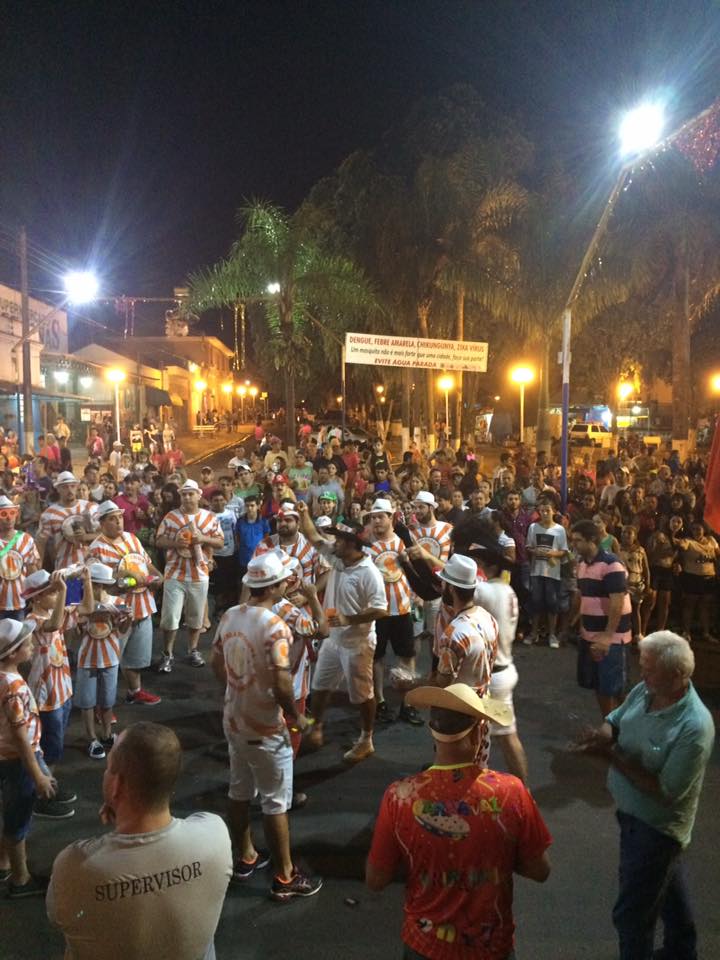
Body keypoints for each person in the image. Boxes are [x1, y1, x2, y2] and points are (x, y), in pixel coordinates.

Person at [366, 683, 551, 960]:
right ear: (478, 733)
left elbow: (376, 879)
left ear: (433, 732)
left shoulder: (400, 796)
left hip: (424, 945)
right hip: (491, 948)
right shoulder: (511, 791)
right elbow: (540, 870)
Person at [574, 632, 714, 960]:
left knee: (632, 915)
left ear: (677, 676)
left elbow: (665, 791)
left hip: (656, 829)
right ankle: (682, 951)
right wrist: (602, 736)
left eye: (649, 670)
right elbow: (615, 721)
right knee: (667, 889)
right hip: (633, 817)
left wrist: (611, 757)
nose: (641, 674)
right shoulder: (648, 690)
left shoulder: (694, 727)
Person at [47, 722, 232, 959]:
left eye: (108, 768)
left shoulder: (75, 865)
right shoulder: (214, 835)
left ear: (116, 785)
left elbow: (57, 916)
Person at [210, 553, 322, 900]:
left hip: (234, 718)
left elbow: (216, 661)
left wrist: (236, 689)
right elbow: (283, 681)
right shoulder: (275, 626)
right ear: (275, 586)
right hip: (266, 727)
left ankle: (246, 856)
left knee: (239, 790)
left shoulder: (230, 615)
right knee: (275, 802)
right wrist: (296, 716)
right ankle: (285, 876)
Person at [298, 507, 388, 762]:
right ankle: (316, 727)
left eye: (338, 539)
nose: (333, 542)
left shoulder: (369, 573)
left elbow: (381, 609)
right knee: (319, 686)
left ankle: (366, 739)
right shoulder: (339, 558)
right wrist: (304, 512)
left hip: (357, 645)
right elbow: (313, 536)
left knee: (362, 696)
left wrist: (350, 619)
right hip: (333, 640)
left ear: (351, 544)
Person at [0, 618, 57, 898]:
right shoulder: (13, 687)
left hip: (6, 755)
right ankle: (21, 879)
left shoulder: (4, 678)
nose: (33, 645)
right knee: (18, 817)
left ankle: (3, 862)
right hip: (19, 759)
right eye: (27, 643)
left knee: (10, 808)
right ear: (13, 653)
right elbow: (21, 737)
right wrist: (37, 775)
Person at [87, 501, 162, 705]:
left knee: (137, 655)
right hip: (116, 610)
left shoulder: (131, 538)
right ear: (102, 523)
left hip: (142, 604)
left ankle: (134, 691)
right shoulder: (96, 548)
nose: (118, 522)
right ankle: (101, 704)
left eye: (119, 517)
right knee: (108, 659)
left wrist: (158, 575)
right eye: (112, 519)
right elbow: (94, 579)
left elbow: (146, 563)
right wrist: (124, 575)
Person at [472, 538, 528, 783]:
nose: (476, 566)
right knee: (483, 733)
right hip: (502, 669)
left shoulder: (486, 591)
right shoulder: (506, 589)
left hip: (493, 677)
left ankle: (523, 790)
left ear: (490, 566)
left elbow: (453, 585)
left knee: (506, 735)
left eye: (479, 563)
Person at [155, 479, 224, 672]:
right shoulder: (171, 517)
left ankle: (193, 650)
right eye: (184, 494)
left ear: (199, 495)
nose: (187, 497)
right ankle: (167, 654)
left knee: (195, 617)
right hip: (174, 574)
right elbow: (159, 540)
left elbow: (220, 542)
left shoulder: (209, 517)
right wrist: (175, 543)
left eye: (191, 494)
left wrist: (203, 538)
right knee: (170, 617)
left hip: (199, 574)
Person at [366, 498, 421, 725]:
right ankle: (379, 701)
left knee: (406, 656)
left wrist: (418, 594)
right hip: (377, 611)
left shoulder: (403, 543)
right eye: (373, 517)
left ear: (391, 518)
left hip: (402, 608)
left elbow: (416, 571)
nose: (377, 521)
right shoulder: (367, 547)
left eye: (381, 517)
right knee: (376, 657)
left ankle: (407, 703)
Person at [570, 519, 632, 718]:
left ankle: (625, 726)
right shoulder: (581, 564)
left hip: (611, 637)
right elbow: (582, 596)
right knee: (599, 685)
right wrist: (574, 624)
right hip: (590, 634)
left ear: (592, 540)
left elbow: (617, 602)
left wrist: (607, 635)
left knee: (615, 687)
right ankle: (609, 725)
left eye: (578, 540)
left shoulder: (612, 564)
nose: (574, 545)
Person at [525, 499, 568, 648]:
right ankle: (534, 633)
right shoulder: (533, 527)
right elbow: (528, 546)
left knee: (552, 603)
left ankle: (552, 634)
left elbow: (564, 551)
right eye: (542, 510)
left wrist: (553, 554)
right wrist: (535, 551)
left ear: (553, 511)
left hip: (553, 571)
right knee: (536, 601)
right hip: (536, 571)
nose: (544, 513)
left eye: (547, 510)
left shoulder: (560, 530)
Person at [0, 494, 40, 622]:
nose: (9, 518)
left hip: (19, 603)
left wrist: (37, 596)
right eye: (3, 514)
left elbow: (32, 570)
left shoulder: (26, 539)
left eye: (12, 513)